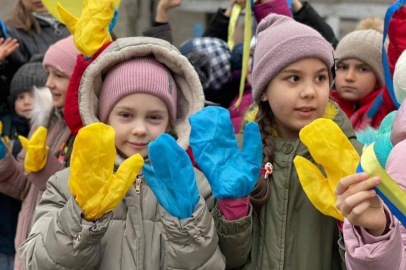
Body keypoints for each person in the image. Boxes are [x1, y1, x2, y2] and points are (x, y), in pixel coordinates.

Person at [19, 36, 227, 270]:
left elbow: (212, 263)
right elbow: (36, 262)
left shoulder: (196, 187)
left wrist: (187, 223)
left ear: (171, 123)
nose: (139, 129)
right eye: (126, 115)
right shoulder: (66, 185)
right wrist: (81, 217)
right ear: (104, 117)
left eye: (154, 117)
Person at [213, 13, 364, 270]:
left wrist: (349, 223)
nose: (309, 91)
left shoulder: (351, 157)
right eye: (294, 78)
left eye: (320, 78)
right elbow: (227, 259)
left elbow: (366, 261)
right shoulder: (239, 155)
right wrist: (232, 212)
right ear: (264, 90)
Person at [0, 35, 79, 270]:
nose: (49, 84)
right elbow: (26, 187)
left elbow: (75, 199)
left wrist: (43, 165)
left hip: (59, 257)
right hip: (27, 252)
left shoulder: (91, 130)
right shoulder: (46, 119)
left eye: (59, 76)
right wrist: (3, 158)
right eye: (49, 74)